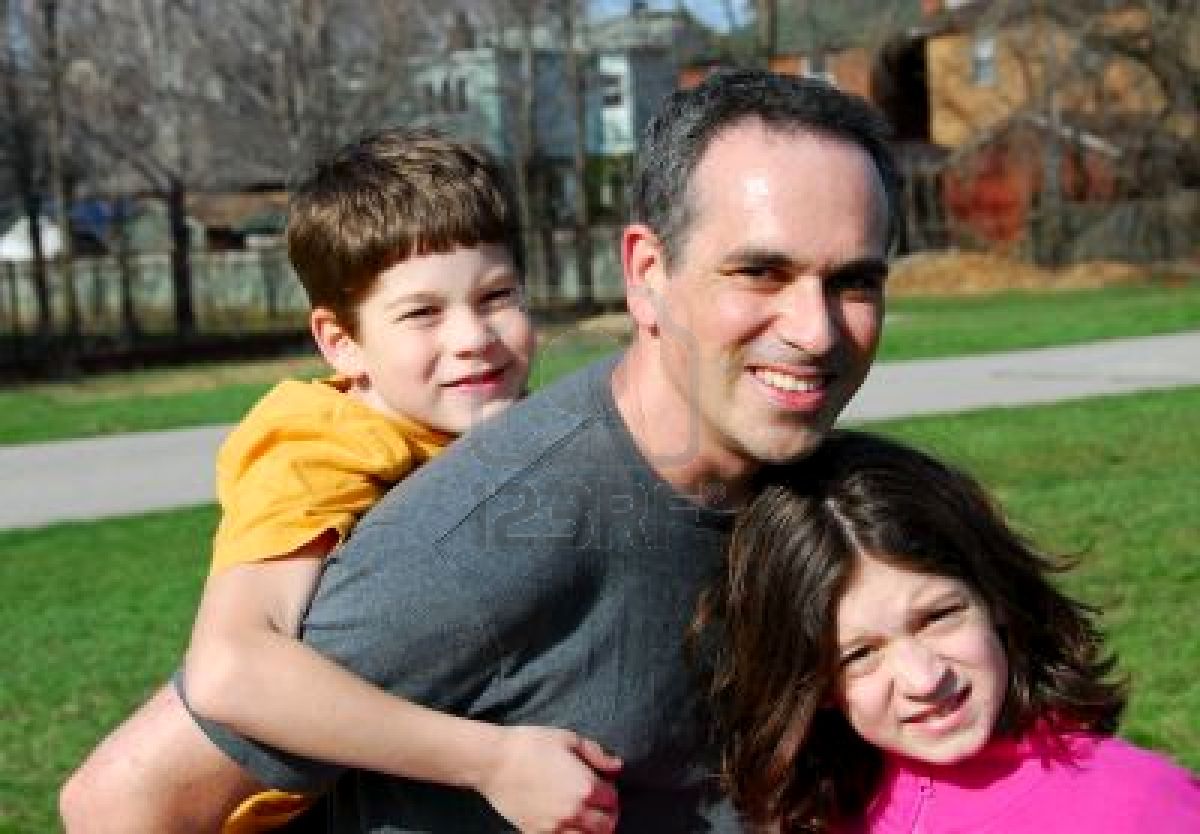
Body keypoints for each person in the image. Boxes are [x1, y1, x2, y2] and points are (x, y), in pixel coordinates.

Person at [64, 68, 901, 831]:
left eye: (855, 280)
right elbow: (137, 780)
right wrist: (487, 757)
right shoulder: (422, 508)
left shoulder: (789, 479)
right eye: (759, 272)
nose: (815, 330)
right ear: (645, 272)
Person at [61, 128, 623, 834]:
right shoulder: (322, 445)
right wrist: (493, 760)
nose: (472, 336)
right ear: (341, 342)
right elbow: (231, 667)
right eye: (422, 313)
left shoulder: (501, 431)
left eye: (496, 296)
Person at [704, 430, 1200, 833]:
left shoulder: (1138, 803)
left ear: (995, 599)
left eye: (938, 618)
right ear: (815, 687)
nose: (923, 679)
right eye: (859, 655)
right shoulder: (818, 814)